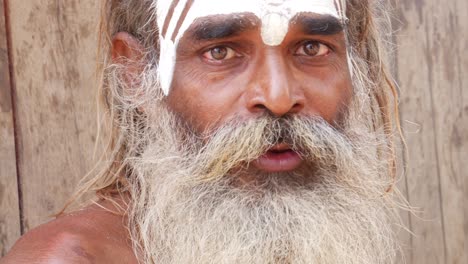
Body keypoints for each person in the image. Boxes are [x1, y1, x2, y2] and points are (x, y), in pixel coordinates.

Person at [2, 0, 405, 263]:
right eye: (221, 52)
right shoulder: (73, 259)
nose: (280, 98)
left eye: (312, 48)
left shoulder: (338, 244)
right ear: (133, 75)